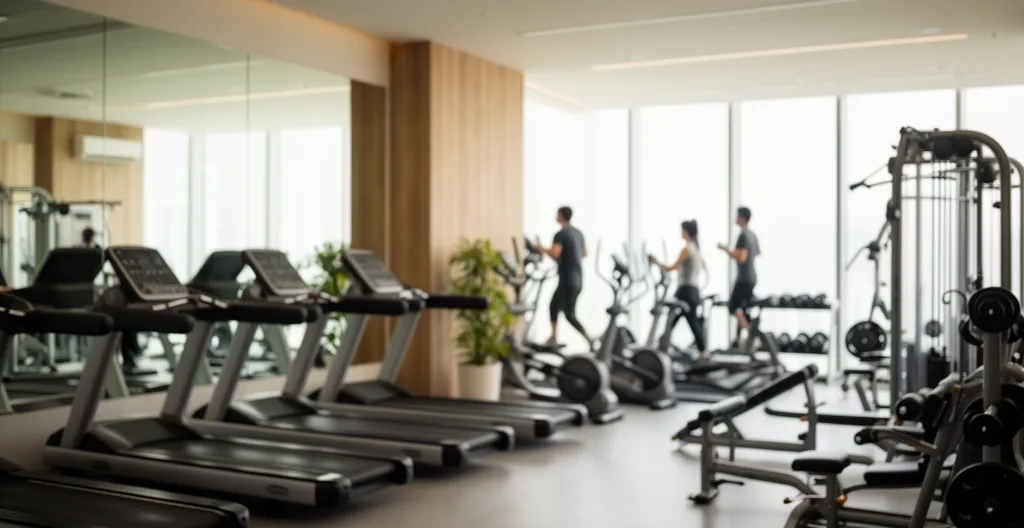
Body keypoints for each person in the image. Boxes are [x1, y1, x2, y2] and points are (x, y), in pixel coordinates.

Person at [534, 206, 591, 347]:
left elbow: (555, 253)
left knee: (557, 308)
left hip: (567, 279)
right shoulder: (578, 233)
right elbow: (584, 253)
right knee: (567, 312)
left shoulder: (561, 234)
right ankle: (587, 339)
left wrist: (541, 248)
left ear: (560, 215)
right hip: (578, 278)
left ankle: (557, 338)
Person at [649, 220, 707, 356]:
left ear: (686, 232)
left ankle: (702, 350)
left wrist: (656, 262)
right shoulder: (696, 249)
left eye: (682, 230)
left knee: (685, 319)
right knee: (679, 318)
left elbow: (672, 267)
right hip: (693, 290)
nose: (681, 233)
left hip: (686, 290)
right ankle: (662, 342)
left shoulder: (687, 249)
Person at [718, 207, 760, 347]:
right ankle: (738, 339)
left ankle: (750, 334)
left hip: (744, 279)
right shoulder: (752, 235)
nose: (735, 218)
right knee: (741, 309)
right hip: (752, 277)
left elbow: (742, 257)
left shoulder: (743, 235)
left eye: (737, 216)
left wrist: (727, 250)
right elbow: (758, 252)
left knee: (733, 307)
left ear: (741, 217)